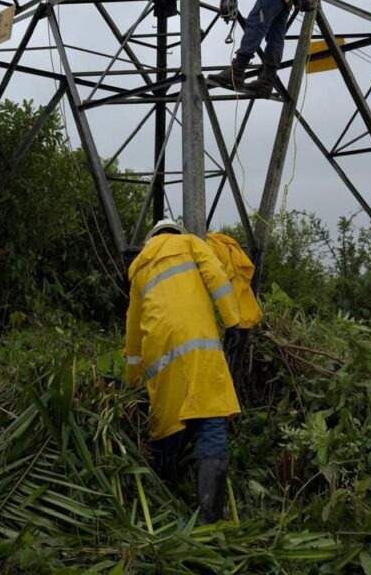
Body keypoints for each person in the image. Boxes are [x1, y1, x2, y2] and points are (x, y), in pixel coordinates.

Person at [123, 219, 242, 524]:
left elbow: (133, 333)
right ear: (175, 232)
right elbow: (216, 276)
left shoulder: (138, 268)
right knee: (211, 422)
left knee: (166, 427)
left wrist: (131, 384)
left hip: (160, 360)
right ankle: (209, 518)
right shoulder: (191, 243)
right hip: (199, 349)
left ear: (151, 240)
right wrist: (233, 322)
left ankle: (160, 495)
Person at [206, 231, 262, 381]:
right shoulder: (218, 245)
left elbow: (220, 281)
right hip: (240, 314)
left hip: (234, 318)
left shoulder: (209, 247)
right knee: (224, 373)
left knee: (221, 373)